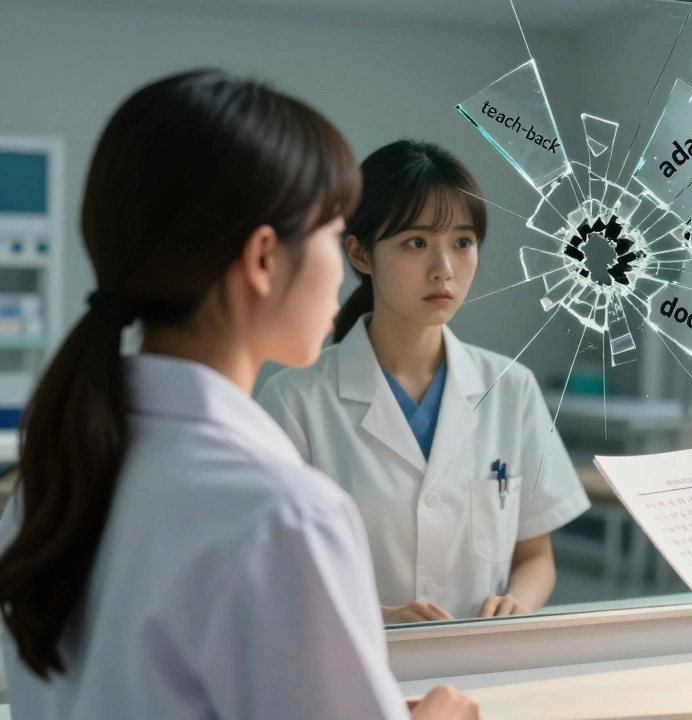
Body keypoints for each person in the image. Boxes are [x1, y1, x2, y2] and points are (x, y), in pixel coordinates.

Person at [0, 70, 477, 719]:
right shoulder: (282, 517)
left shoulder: (51, 478)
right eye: (331, 235)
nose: (340, 270)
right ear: (263, 259)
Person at [257, 140, 590, 624]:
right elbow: (273, 574)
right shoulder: (294, 401)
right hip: (351, 672)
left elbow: (535, 558)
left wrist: (516, 604)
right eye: (416, 243)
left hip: (482, 668)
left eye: (462, 242)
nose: (444, 270)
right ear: (360, 253)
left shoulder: (510, 389)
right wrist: (379, 618)